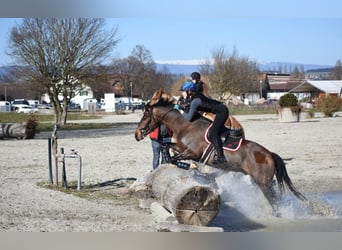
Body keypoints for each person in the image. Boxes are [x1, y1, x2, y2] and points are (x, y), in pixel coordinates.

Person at [182, 82, 229, 168]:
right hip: (221, 110)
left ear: (189, 91)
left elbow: (189, 117)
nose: (182, 93)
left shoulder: (195, 100)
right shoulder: (195, 97)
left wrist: (180, 111)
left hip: (221, 112)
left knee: (213, 132)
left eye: (184, 91)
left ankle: (221, 158)